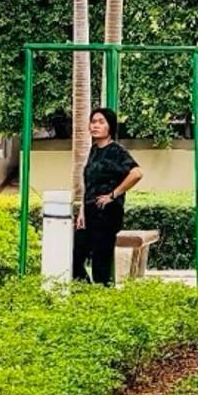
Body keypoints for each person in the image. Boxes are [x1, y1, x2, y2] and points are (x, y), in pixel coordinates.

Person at [73, 108, 144, 286]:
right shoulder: (94, 150)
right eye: (93, 122)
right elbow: (89, 184)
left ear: (110, 126)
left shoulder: (116, 150)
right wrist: (82, 211)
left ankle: (102, 295)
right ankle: (88, 292)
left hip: (106, 212)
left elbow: (136, 173)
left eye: (101, 122)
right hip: (89, 211)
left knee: (101, 263)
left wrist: (113, 195)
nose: (95, 125)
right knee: (75, 258)